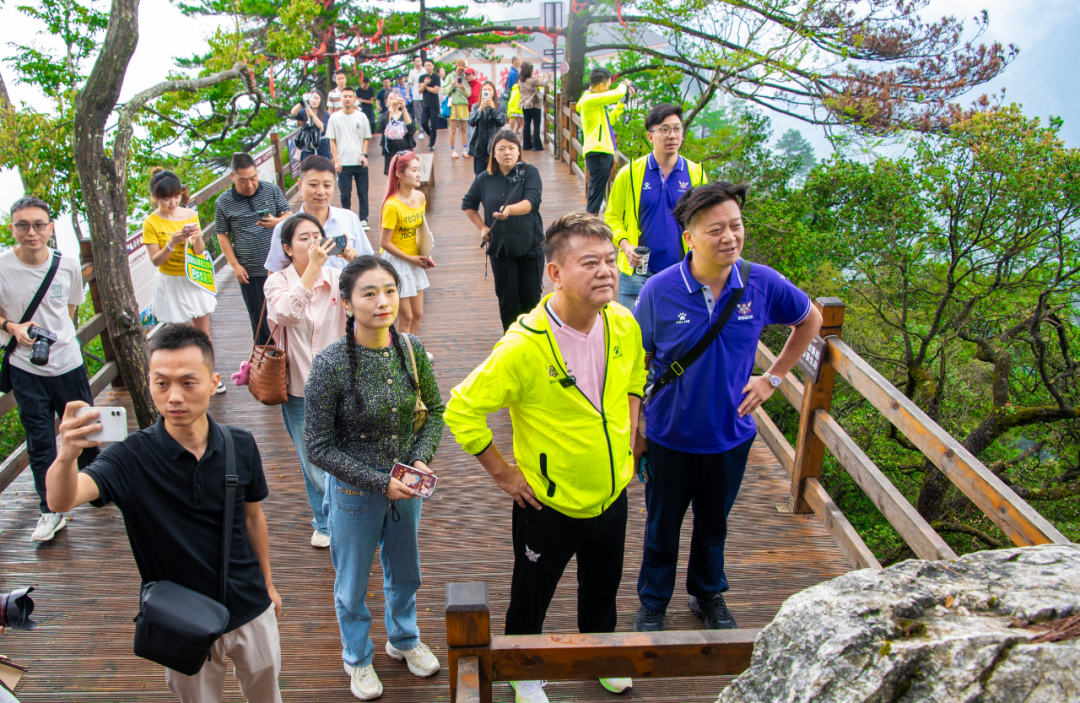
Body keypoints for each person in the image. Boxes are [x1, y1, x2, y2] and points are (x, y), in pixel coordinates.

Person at [446, 213, 647, 703]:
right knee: (531, 593)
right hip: (548, 502)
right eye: (589, 263)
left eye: (610, 260)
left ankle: (600, 656)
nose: (606, 271)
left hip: (611, 493)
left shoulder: (622, 322)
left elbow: (635, 376)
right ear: (555, 273)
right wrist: (504, 474)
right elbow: (461, 410)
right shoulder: (523, 347)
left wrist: (631, 433)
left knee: (603, 588)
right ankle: (523, 670)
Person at [45, 324, 284, 702]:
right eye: (161, 383)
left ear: (213, 382)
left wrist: (268, 585)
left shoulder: (240, 444)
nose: (174, 397)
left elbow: (253, 518)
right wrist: (66, 455)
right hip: (180, 619)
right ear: (149, 384)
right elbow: (63, 499)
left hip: (250, 605)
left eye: (188, 383)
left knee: (266, 694)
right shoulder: (129, 458)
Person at [632, 181, 823, 634]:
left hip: (729, 434)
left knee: (713, 523)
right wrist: (636, 428)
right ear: (690, 238)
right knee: (661, 525)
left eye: (736, 226)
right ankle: (654, 602)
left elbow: (810, 319)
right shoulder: (659, 290)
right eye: (715, 229)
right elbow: (635, 360)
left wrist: (772, 378)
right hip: (669, 433)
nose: (730, 237)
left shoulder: (761, 282)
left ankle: (707, 594)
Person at [304, 256, 445, 701]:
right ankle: (357, 657)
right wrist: (378, 482)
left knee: (406, 573)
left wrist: (420, 457)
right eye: (369, 293)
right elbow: (318, 446)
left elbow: (435, 411)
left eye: (389, 290)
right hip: (353, 494)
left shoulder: (411, 350)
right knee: (352, 584)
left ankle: (403, 638)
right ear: (346, 303)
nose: (383, 301)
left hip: (407, 489)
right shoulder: (330, 364)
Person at [0, 196, 98, 543]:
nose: (31, 232)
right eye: (23, 225)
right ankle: (50, 509)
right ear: (12, 228)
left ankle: (97, 489)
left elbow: (69, 311)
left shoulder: (67, 265)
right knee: (40, 442)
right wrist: (12, 327)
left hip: (68, 363)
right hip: (25, 368)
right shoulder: (2, 267)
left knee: (86, 431)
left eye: (39, 225)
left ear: (50, 228)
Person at [265, 214, 357, 549]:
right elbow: (286, 313)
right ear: (288, 248)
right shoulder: (276, 282)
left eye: (317, 235)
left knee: (346, 449)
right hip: (299, 387)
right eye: (303, 238)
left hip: (341, 383)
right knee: (313, 460)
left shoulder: (337, 277)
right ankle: (328, 521)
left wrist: (354, 263)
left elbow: (370, 298)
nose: (313, 242)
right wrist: (312, 269)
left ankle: (338, 519)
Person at [605, 103, 708, 309]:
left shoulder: (695, 173)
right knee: (633, 328)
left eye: (677, 129)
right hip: (637, 272)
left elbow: (705, 220)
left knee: (676, 328)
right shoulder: (630, 173)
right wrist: (625, 246)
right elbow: (612, 216)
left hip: (681, 272)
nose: (672, 135)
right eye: (664, 129)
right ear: (650, 136)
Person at [141, 169, 224, 394]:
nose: (172, 203)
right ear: (155, 198)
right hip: (171, 281)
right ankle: (186, 377)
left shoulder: (189, 214)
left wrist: (196, 237)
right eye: (166, 199)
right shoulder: (150, 223)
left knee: (203, 334)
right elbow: (156, 260)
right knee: (178, 336)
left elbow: (199, 250)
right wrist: (172, 242)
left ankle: (209, 376)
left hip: (193, 277)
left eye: (176, 197)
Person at [462, 130, 543, 331]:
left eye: (511, 148)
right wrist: (482, 227)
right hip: (501, 249)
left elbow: (532, 202)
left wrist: (509, 211)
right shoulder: (483, 179)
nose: (507, 152)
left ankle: (532, 340)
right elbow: (468, 205)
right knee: (508, 301)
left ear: (518, 151)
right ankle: (512, 340)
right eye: (501, 149)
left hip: (529, 246)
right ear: (493, 153)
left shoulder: (530, 173)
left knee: (531, 298)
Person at [213, 152, 292, 346]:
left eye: (253, 178)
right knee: (259, 317)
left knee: (285, 309)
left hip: (280, 265)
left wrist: (276, 222)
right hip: (250, 270)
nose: (249, 184)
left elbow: (290, 216)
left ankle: (288, 350)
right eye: (243, 180)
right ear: (232, 177)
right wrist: (235, 265)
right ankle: (265, 357)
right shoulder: (223, 202)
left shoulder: (271, 190)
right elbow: (223, 235)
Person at [264, 155, 372, 273]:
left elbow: (368, 264)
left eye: (327, 185)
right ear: (300, 185)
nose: (321, 192)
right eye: (313, 185)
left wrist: (355, 259)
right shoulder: (283, 228)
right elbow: (274, 273)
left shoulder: (350, 219)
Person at [379, 151, 433, 334]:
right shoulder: (392, 206)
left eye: (419, 170)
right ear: (399, 174)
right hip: (397, 262)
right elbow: (385, 243)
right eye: (414, 170)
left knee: (418, 313)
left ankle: (412, 347)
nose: (419, 174)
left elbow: (420, 228)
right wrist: (411, 259)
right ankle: (401, 351)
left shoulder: (420, 197)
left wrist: (426, 252)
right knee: (406, 317)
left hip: (415, 257)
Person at [577, 68, 634, 214]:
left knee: (597, 192)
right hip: (598, 152)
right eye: (608, 86)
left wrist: (621, 104)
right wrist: (624, 84)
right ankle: (590, 222)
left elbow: (611, 120)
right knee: (596, 194)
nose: (608, 89)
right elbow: (618, 93)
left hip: (602, 152)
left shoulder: (595, 104)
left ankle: (590, 221)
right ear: (601, 85)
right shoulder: (589, 100)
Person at [326, 86, 373, 228]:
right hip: (343, 162)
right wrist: (336, 160)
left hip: (359, 161)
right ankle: (347, 219)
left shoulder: (361, 116)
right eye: (345, 96)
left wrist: (364, 154)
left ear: (355, 99)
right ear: (340, 99)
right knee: (345, 194)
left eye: (350, 96)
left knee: (363, 193)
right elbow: (332, 140)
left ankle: (363, 219)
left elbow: (366, 138)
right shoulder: (334, 118)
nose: (347, 99)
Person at [467, 81, 507, 176]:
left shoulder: (501, 105)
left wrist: (493, 108)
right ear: (481, 92)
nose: (487, 91)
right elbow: (471, 122)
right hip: (480, 145)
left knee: (496, 174)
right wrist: (480, 109)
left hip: (495, 144)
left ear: (494, 92)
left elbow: (501, 122)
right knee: (479, 175)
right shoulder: (476, 106)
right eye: (484, 89)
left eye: (489, 89)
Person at [379, 91, 417, 175]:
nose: (394, 100)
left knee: (408, 176)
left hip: (405, 149)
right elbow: (384, 129)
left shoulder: (406, 114)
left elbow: (412, 129)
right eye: (391, 98)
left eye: (396, 97)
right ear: (386, 101)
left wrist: (404, 108)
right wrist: (392, 109)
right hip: (391, 151)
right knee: (392, 177)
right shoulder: (383, 117)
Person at [517, 62, 551, 152]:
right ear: (530, 70)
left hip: (525, 105)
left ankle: (526, 145)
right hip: (535, 104)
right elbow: (545, 84)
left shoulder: (520, 80)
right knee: (536, 125)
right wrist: (548, 76)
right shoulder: (533, 80)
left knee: (527, 124)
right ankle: (536, 145)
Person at [442, 59, 471, 159]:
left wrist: (463, 88)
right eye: (459, 69)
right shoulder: (450, 77)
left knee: (464, 129)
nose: (461, 71)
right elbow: (443, 90)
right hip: (453, 104)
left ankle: (465, 149)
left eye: (463, 69)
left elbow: (469, 93)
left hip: (463, 105)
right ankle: (452, 150)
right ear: (456, 67)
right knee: (453, 129)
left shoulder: (464, 78)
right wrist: (452, 85)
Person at [290, 91, 331, 161]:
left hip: (321, 144)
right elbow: (294, 113)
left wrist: (312, 115)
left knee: (324, 164)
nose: (314, 100)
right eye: (312, 98)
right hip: (307, 144)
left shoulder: (325, 114)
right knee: (308, 165)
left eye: (317, 98)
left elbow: (322, 128)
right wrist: (302, 102)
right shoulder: (305, 111)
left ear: (321, 100)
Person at [417, 60, 442, 150]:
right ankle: (431, 135)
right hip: (425, 104)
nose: (427, 67)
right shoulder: (421, 77)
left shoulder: (436, 77)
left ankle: (432, 144)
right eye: (426, 65)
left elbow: (435, 91)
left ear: (433, 66)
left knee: (433, 124)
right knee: (423, 123)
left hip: (434, 104)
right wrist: (425, 83)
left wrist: (425, 86)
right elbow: (419, 91)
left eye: (429, 65)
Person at [463, 67, 482, 157]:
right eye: (466, 75)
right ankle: (468, 149)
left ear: (474, 75)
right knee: (467, 131)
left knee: (475, 131)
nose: (468, 76)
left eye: (469, 75)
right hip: (466, 111)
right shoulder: (465, 85)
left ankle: (477, 148)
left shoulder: (479, 85)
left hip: (476, 111)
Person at [407, 56, 425, 136]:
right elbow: (409, 84)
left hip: (425, 96)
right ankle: (421, 131)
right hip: (416, 97)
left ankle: (428, 129)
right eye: (417, 61)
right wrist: (407, 94)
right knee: (418, 115)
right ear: (414, 63)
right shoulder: (412, 72)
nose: (419, 63)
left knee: (426, 113)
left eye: (420, 61)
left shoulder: (425, 70)